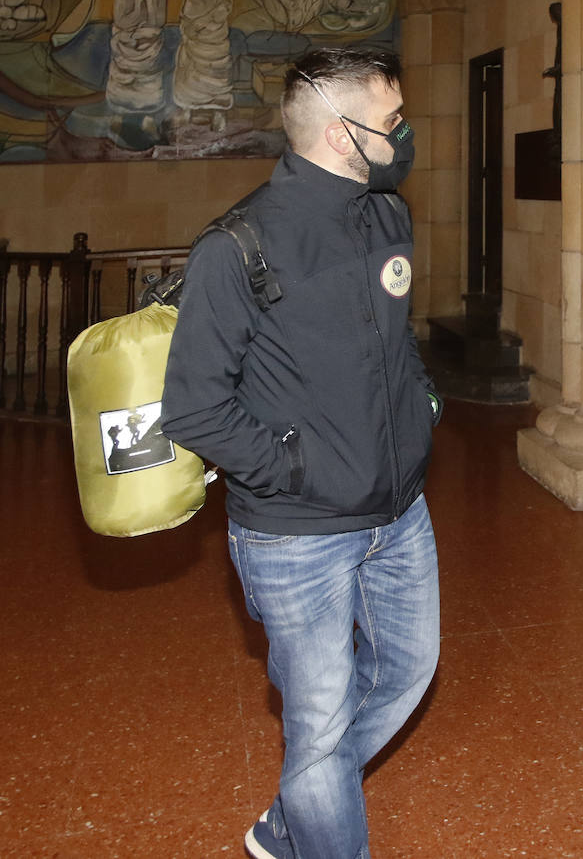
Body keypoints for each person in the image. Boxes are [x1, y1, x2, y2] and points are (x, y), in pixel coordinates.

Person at [162, 47, 438, 859]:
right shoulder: (237, 245)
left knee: (408, 671)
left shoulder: (390, 216)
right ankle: (318, 826)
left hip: (399, 511)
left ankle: (294, 819)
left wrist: (421, 409)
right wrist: (295, 469)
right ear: (338, 132)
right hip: (295, 532)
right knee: (318, 727)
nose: (406, 135)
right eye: (392, 123)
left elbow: (399, 338)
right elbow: (195, 407)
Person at [163, 0, 233, 130]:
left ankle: (218, 113)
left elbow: (225, 5)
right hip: (190, 35)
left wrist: (203, 24)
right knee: (189, 74)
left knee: (214, 76)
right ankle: (188, 110)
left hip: (212, 36)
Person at [106, 0, 168, 131]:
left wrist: (149, 5)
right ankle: (119, 113)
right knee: (123, 78)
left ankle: (148, 115)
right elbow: (120, 19)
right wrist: (136, 8)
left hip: (148, 40)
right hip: (126, 39)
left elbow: (159, 21)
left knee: (147, 79)